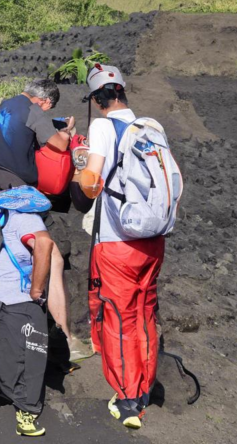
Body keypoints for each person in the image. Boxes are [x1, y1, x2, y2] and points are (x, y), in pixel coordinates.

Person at [79, 64, 164, 429]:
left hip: (118, 243)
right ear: (122, 92)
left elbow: (91, 183)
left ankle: (129, 400)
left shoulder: (101, 126)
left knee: (118, 317)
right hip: (153, 240)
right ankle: (144, 386)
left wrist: (80, 162)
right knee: (145, 314)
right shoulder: (151, 127)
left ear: (99, 99)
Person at [0, 79, 90, 363]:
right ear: (45, 101)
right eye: (48, 107)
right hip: (17, 192)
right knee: (52, 256)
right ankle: (65, 338)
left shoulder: (1, 107)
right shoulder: (34, 110)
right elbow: (57, 145)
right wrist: (67, 132)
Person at [0, 206, 54, 437]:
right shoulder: (11, 216)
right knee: (8, 354)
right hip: (8, 301)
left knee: (25, 359)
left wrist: (36, 289)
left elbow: (43, 244)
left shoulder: (25, 217)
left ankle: (26, 409)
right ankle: (11, 393)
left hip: (21, 302)